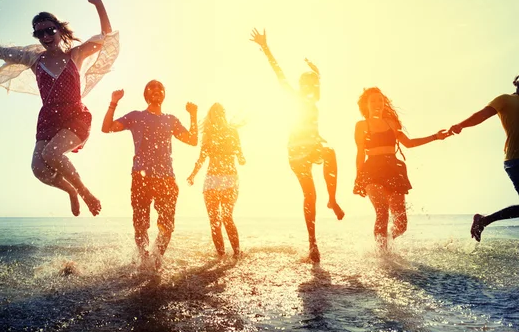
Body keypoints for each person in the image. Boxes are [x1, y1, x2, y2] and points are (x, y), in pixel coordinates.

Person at [0, 0, 120, 217]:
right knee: (39, 168)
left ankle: (85, 193)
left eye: (49, 30)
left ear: (59, 30)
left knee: (52, 154)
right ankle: (72, 191)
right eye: (39, 32)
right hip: (48, 118)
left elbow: (106, 36)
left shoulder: (76, 54)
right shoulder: (34, 59)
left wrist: (99, 5)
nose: (45, 36)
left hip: (75, 115)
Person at [250, 28, 344, 264]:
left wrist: (317, 73)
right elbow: (279, 73)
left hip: (312, 147)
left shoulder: (314, 100)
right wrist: (266, 48)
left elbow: (317, 88)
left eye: (311, 85)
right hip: (296, 152)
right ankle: (313, 243)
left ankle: (332, 199)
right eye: (304, 84)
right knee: (309, 194)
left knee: (330, 152)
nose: (308, 87)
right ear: (300, 86)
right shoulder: (295, 97)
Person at [101, 81, 198, 269]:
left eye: (160, 89)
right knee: (140, 224)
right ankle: (144, 260)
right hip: (141, 177)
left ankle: (155, 258)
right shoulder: (136, 116)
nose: (157, 91)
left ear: (164, 95)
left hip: (166, 179)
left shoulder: (171, 120)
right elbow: (107, 127)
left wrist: (193, 116)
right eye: (152, 89)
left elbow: (193, 140)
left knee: (167, 226)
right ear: (146, 94)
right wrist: (113, 103)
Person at [354, 87, 449, 249]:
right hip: (372, 170)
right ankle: (381, 254)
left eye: (380, 100)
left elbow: (409, 143)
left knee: (401, 224)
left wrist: (435, 137)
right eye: (373, 101)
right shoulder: (362, 125)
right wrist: (359, 177)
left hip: (393, 170)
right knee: (382, 212)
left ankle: (387, 241)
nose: (377, 103)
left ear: (384, 103)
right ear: (366, 105)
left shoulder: (391, 124)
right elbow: (360, 153)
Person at [448, 76, 519, 242]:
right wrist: (461, 125)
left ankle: (484, 220)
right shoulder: (505, 99)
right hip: (515, 159)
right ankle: (484, 220)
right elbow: (482, 115)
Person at [187, 103, 245, 259]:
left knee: (227, 217)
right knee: (214, 220)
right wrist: (193, 175)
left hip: (230, 179)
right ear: (211, 116)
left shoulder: (233, 132)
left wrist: (241, 157)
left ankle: (237, 254)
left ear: (224, 114)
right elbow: (201, 158)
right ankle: (221, 256)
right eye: (214, 113)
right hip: (212, 180)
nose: (218, 115)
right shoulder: (208, 134)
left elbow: (240, 155)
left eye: (220, 112)